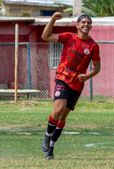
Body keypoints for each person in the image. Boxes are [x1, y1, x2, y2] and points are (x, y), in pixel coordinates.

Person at [41, 12, 101, 159]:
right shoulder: (69, 37)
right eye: (83, 22)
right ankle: (47, 136)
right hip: (62, 78)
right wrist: (53, 19)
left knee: (63, 117)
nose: (86, 24)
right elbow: (45, 37)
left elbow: (97, 68)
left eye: (89, 22)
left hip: (77, 85)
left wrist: (87, 76)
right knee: (58, 109)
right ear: (77, 25)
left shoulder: (93, 46)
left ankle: (51, 148)